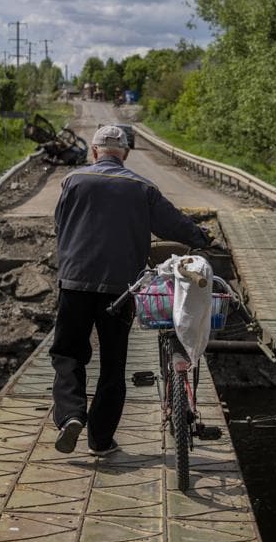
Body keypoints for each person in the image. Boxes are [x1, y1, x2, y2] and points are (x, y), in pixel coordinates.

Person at [51, 124, 209, 456]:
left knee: (68, 353)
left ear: (94, 151)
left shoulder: (72, 181)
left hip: (75, 283)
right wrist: (200, 238)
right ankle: (100, 440)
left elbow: (60, 226)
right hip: (120, 289)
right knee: (112, 364)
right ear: (125, 153)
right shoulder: (142, 187)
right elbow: (173, 223)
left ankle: (70, 416)